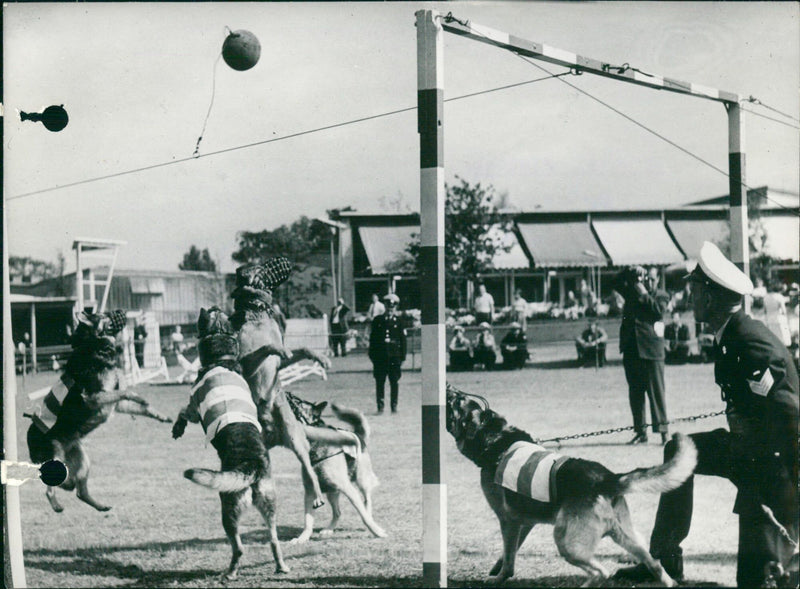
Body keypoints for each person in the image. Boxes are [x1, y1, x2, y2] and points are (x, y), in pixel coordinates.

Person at [615, 241, 798, 588]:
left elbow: (790, 417)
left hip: (775, 466)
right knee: (680, 450)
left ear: (710, 298)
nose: (689, 298)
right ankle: (665, 562)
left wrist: (768, 489)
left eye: (694, 290)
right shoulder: (730, 334)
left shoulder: (749, 341)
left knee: (756, 582)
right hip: (750, 450)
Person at [616, 265, 670, 445]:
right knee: (635, 393)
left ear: (658, 280)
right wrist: (629, 272)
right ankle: (640, 432)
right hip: (632, 350)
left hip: (651, 351)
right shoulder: (632, 292)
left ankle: (663, 432)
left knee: (657, 393)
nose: (650, 281)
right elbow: (614, 282)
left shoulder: (661, 295)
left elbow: (659, 312)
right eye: (647, 278)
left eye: (653, 279)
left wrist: (643, 293)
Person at [368, 294, 407, 414]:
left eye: (393, 308)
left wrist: (402, 357)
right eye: (388, 307)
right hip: (380, 357)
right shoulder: (378, 320)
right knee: (380, 382)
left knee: (394, 382)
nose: (390, 310)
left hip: (394, 357)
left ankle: (394, 406)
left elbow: (403, 340)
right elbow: (373, 340)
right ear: (385, 307)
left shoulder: (399, 321)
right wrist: (373, 356)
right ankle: (380, 406)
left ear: (395, 308)